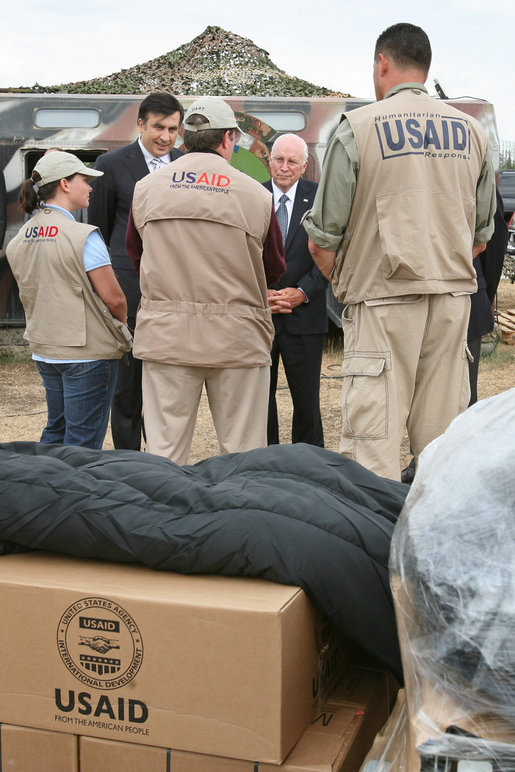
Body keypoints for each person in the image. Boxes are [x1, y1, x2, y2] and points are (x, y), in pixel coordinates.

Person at [303, 22, 496, 481]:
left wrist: (355, 286)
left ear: (381, 63)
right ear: (425, 69)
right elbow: (482, 235)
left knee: (373, 447)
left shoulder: (357, 129)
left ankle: (370, 550)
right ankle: (433, 546)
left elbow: (320, 240)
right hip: (451, 305)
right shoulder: (472, 132)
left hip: (381, 303)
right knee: (443, 450)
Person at [126, 96, 286, 464]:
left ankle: (165, 520)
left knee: (164, 454)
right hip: (238, 340)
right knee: (244, 455)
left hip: (167, 337)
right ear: (229, 138)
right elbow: (274, 267)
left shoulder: (147, 188)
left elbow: (136, 254)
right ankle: (241, 520)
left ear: (184, 137)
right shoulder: (256, 195)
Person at [6, 151, 129, 449]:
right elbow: (114, 298)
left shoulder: (21, 236)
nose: (89, 187)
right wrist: (122, 323)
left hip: (46, 349)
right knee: (82, 444)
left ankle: (45, 490)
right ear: (64, 184)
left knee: (55, 432)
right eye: (84, 180)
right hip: (87, 351)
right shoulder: (82, 235)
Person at [88, 92, 184, 450]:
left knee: (169, 381)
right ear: (140, 124)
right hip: (129, 289)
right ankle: (129, 461)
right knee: (127, 385)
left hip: (176, 291)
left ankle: (163, 458)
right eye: (158, 127)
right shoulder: (111, 165)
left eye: (173, 128)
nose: (165, 136)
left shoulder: (186, 164)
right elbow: (97, 230)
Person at [265, 133, 328, 447]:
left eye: (292, 162)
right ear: (269, 160)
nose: (284, 167)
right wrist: (259, 292)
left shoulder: (321, 199)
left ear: (305, 166)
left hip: (305, 316)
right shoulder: (253, 196)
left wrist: (303, 291)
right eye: (279, 159)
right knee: (260, 402)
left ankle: (310, 464)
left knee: (307, 402)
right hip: (260, 316)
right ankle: (265, 464)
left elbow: (333, 252)